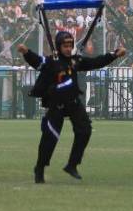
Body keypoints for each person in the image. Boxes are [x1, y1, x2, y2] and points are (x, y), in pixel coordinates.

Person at [17, 31, 125, 183]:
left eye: (70, 46)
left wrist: (114, 55)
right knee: (50, 138)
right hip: (56, 105)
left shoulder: (76, 61)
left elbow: (95, 62)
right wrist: (26, 52)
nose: (68, 49)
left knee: (85, 130)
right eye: (65, 46)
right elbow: (37, 61)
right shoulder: (51, 61)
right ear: (59, 46)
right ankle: (40, 167)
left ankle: (72, 164)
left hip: (73, 103)